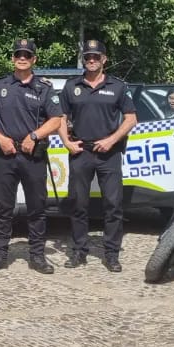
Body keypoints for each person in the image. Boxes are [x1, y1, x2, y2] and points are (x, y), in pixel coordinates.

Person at [0, 38, 64, 274]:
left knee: (36, 207)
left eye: (27, 54)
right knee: (3, 207)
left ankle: (37, 256)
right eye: (18, 54)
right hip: (5, 154)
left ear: (34, 59)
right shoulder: (0, 86)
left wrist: (35, 136)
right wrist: (1, 139)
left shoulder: (44, 88)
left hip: (32, 155)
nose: (22, 58)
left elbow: (56, 120)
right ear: (13, 58)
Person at [61, 40, 137, 272]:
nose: (91, 60)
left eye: (96, 57)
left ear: (104, 59)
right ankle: (78, 251)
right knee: (78, 204)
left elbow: (131, 118)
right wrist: (66, 142)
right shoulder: (71, 85)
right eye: (87, 57)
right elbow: (60, 117)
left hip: (109, 152)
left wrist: (111, 140)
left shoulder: (118, 86)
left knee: (113, 205)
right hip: (81, 150)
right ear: (83, 60)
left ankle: (112, 254)